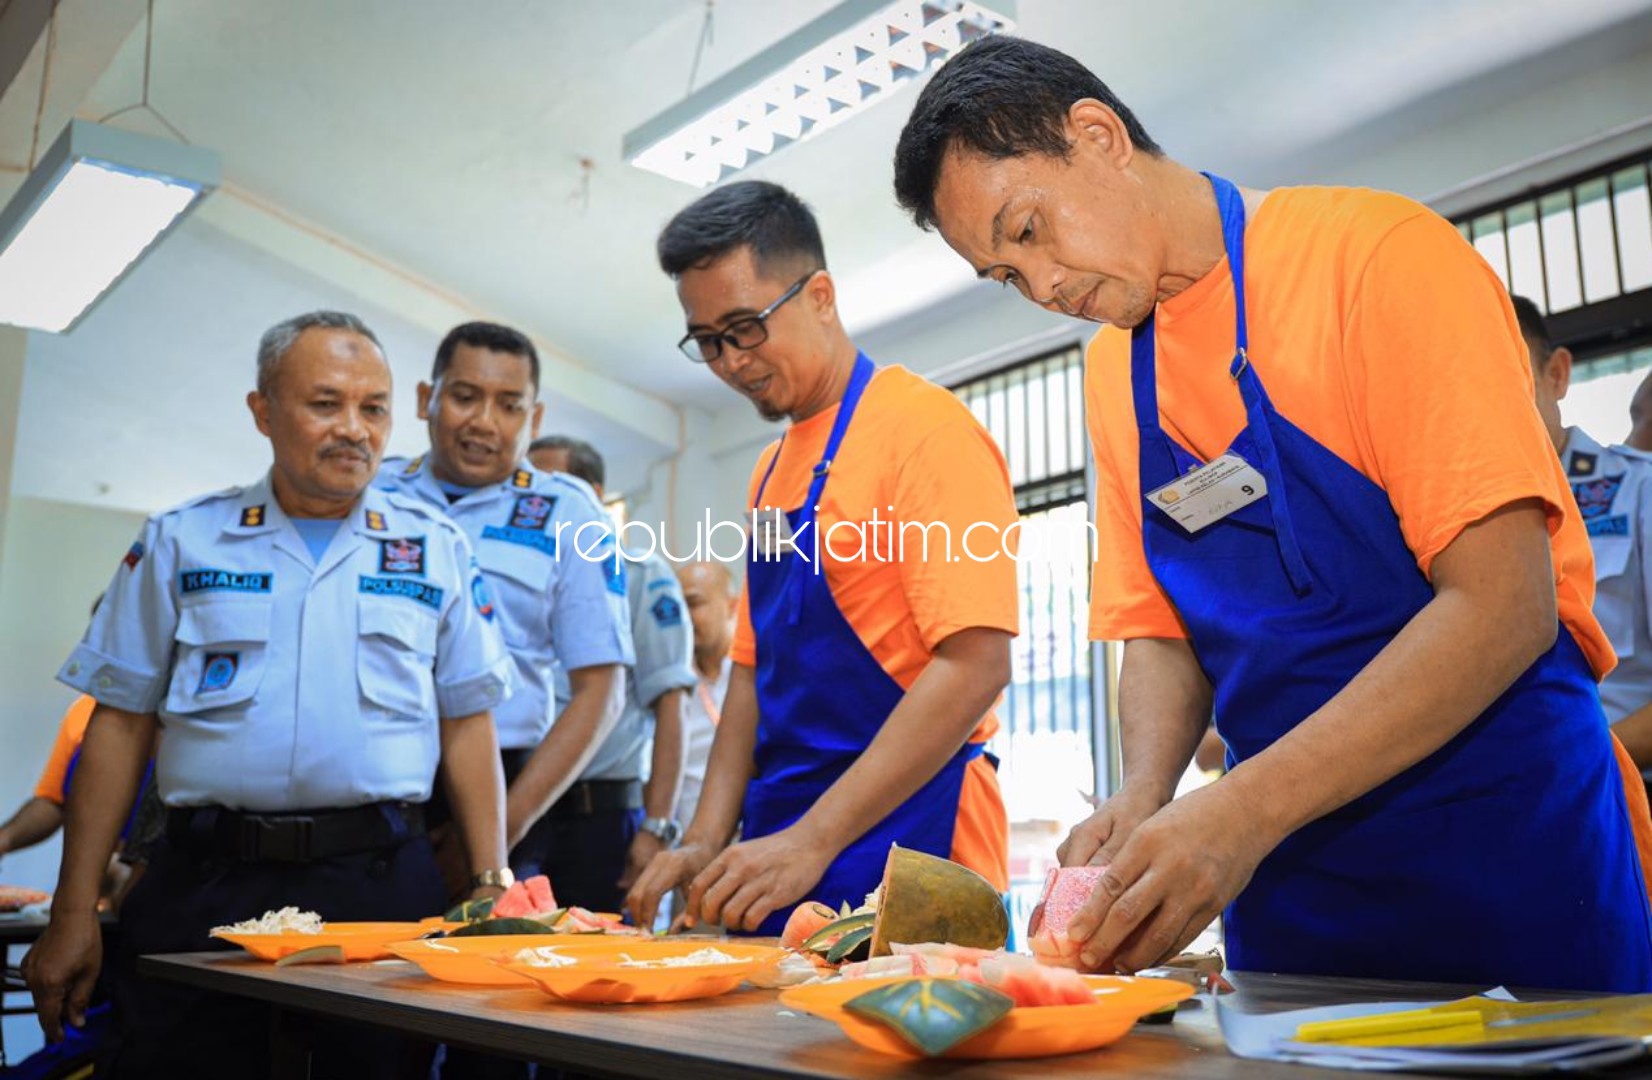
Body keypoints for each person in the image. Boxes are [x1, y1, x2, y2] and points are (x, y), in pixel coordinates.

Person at [893, 35, 1652, 990]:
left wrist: (1241, 812)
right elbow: (1161, 627)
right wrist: (1146, 794)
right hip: (1289, 879)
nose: (1042, 288)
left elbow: (1503, 606)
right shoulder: (1113, 368)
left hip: (1501, 836)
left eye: (1030, 230)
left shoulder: (1375, 258)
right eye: (1006, 276)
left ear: (1098, 135)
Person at [24, 311, 514, 1078]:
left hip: (379, 881)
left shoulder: (436, 548)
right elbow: (118, 728)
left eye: (373, 408)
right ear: (263, 410)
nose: (353, 429)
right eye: (325, 404)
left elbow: (468, 723)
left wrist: (491, 881)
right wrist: (71, 910)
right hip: (205, 881)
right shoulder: (183, 540)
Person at [626, 180, 1018, 935]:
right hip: (783, 837)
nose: (731, 362)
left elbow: (975, 665)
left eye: (745, 326)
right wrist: (706, 840)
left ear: (821, 296)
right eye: (708, 341)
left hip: (917, 834)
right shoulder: (769, 473)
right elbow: (749, 676)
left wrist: (815, 838)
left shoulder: (924, 433)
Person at [376, 323, 632, 890]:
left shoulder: (570, 515)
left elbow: (601, 690)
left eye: (509, 405)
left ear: (534, 420)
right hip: (377, 785)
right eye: (465, 397)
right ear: (427, 399)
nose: (484, 422)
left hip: (511, 783)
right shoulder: (373, 494)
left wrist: (497, 832)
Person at [527, 435, 695, 910]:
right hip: (521, 806)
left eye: (554, 483)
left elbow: (672, 708)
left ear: (594, 496)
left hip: (599, 818)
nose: (540, 498)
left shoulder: (639, 575)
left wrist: (656, 827)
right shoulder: (521, 576)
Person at [1517, 295, 1652, 772]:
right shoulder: (1448, 519)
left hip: (1618, 789)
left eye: (1508, 378)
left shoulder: (1640, 488)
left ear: (1556, 374)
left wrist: (1574, 764)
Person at [673, 560, 738, 832]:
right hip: (689, 841)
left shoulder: (759, 675)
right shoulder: (672, 683)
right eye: (677, 606)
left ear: (732, 606)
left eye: (694, 603)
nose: (684, 616)